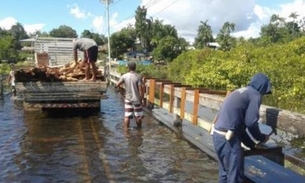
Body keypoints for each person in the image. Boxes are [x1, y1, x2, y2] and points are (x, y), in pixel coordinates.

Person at [212, 73, 272, 183]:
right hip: (228, 139)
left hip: (217, 135)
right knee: (235, 177)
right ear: (263, 87)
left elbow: (239, 127)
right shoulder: (255, 95)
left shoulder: (241, 91)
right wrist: (262, 138)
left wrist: (252, 145)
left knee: (225, 173)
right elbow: (251, 123)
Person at [116, 61, 145, 130]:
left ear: (128, 68)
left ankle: (126, 131)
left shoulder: (124, 76)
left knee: (127, 116)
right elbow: (141, 89)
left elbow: (117, 84)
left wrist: (122, 92)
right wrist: (142, 99)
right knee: (138, 116)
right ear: (135, 67)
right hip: (137, 99)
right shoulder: (138, 76)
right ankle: (139, 130)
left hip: (128, 98)